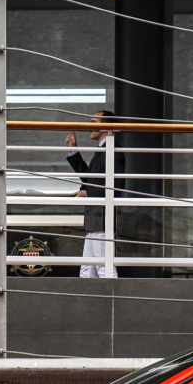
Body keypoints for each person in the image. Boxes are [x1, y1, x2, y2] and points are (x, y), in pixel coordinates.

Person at [64, 110, 126, 278]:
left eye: (93, 122)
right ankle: (87, 304)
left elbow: (116, 186)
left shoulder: (112, 150)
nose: (88, 127)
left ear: (106, 126)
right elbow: (90, 179)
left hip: (102, 219)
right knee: (87, 270)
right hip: (95, 220)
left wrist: (87, 193)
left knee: (103, 269)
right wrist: (74, 151)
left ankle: (112, 304)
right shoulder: (102, 150)